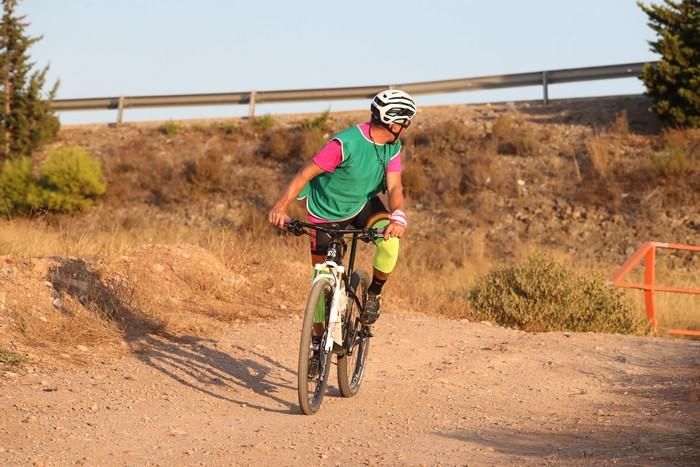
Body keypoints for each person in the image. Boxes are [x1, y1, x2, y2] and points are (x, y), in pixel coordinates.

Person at [268, 89, 416, 325]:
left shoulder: (392, 149)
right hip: (323, 213)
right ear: (393, 123)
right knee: (321, 280)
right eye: (405, 122)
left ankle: (373, 295)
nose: (406, 127)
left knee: (390, 243)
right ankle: (316, 346)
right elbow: (305, 173)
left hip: (362, 205)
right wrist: (280, 207)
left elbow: (395, 187)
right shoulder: (345, 143)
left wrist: (397, 216)